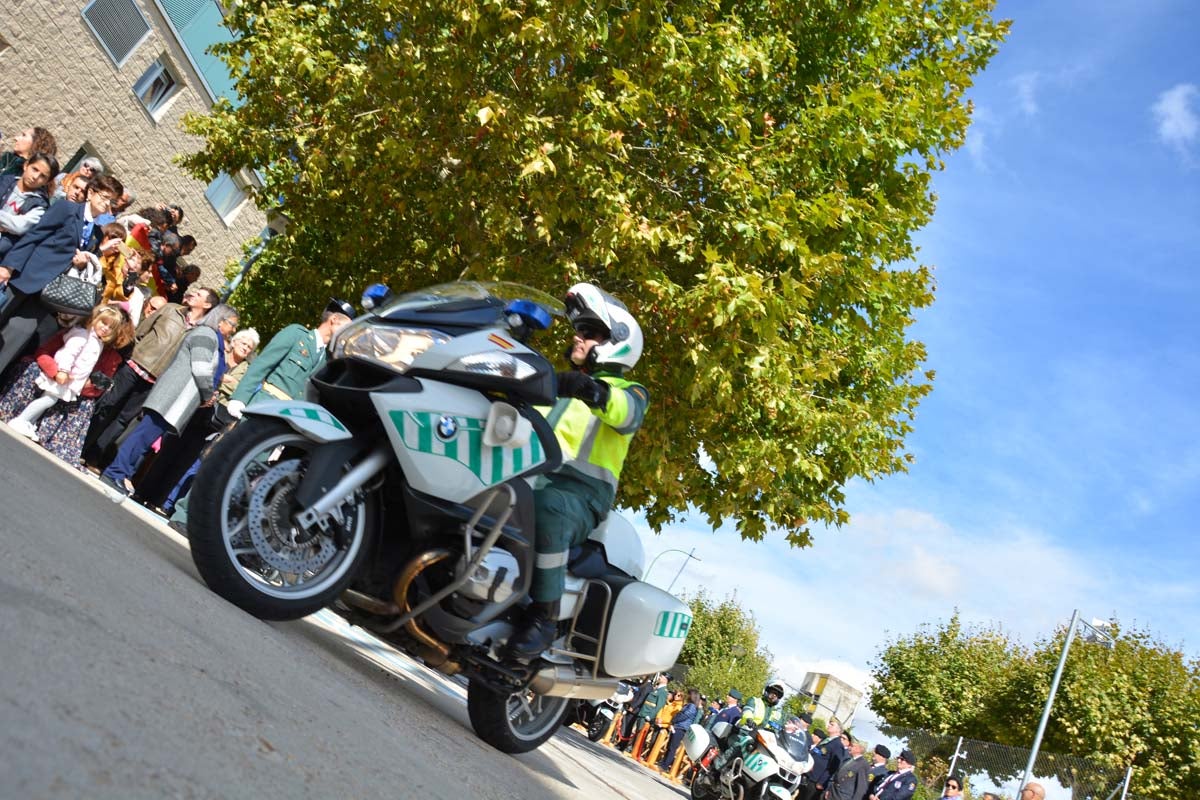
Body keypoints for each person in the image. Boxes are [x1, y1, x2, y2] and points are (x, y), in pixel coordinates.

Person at [504, 283, 648, 659]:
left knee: (548, 506)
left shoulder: (628, 391)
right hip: (529, 474)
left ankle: (544, 616)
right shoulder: (561, 386)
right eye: (579, 330)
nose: (578, 337)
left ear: (616, 342)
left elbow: (626, 413)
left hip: (580, 495)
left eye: (590, 333)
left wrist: (595, 391)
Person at [99, 305, 239, 500]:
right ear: (221, 321)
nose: (233, 330)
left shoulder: (209, 337)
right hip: (172, 396)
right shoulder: (206, 335)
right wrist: (208, 394)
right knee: (143, 435)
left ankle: (122, 474)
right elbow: (201, 368)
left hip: (176, 399)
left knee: (146, 438)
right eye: (233, 325)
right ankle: (114, 472)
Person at [0, 174, 124, 375]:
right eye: (104, 197)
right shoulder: (67, 209)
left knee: (16, 337)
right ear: (91, 193)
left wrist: (89, 258)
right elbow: (35, 236)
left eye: (112, 202)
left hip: (50, 294)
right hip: (26, 276)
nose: (106, 204)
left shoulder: (98, 234)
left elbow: (82, 263)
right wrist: (9, 266)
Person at [81, 286, 216, 468]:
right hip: (134, 365)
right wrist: (131, 355)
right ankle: (81, 443)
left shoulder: (200, 331)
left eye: (199, 295)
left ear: (207, 305)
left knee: (123, 419)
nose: (193, 294)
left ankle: (94, 454)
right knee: (107, 404)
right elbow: (142, 332)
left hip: (155, 381)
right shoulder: (170, 309)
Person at [4, 305, 122, 440]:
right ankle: (21, 419)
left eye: (111, 327)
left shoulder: (97, 342)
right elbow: (68, 353)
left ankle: (29, 422)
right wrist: (62, 371)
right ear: (95, 319)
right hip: (62, 376)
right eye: (103, 322)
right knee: (48, 399)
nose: (105, 328)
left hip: (69, 380)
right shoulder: (83, 335)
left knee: (49, 399)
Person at [0, 152, 58, 259]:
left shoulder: (40, 205)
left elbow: (19, 226)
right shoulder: (3, 180)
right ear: (26, 165)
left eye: (43, 176)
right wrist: (8, 223)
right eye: (35, 169)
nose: (35, 177)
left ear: (47, 182)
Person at [659, 688, 701, 772]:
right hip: (678, 726)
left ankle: (665, 765)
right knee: (670, 745)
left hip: (681, 727)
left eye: (688, 694)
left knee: (673, 747)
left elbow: (684, 715)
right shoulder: (689, 705)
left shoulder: (692, 706)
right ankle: (663, 762)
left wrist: (674, 719)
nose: (686, 695)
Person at [825, 733, 868, 800]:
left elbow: (861, 789)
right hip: (833, 793)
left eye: (852, 746)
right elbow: (837, 776)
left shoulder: (863, 765)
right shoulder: (849, 759)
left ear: (859, 749)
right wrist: (829, 790)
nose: (849, 747)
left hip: (842, 797)